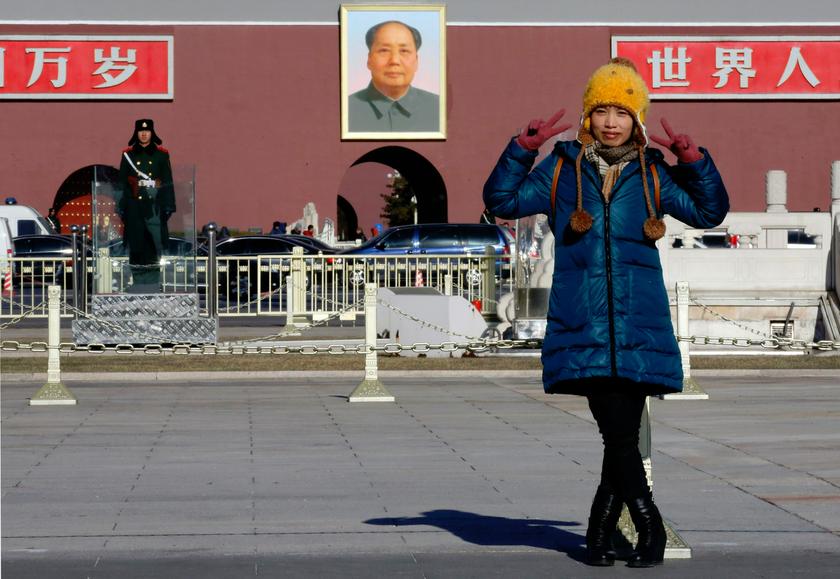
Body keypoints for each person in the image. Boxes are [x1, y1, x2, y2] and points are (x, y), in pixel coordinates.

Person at [483, 58, 729, 568]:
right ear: (587, 117)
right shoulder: (559, 170)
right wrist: (522, 150)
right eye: (602, 110)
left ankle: (598, 538)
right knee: (617, 431)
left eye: (622, 110)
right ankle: (648, 527)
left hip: (639, 321)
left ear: (637, 119)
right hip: (584, 320)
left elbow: (709, 212)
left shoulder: (653, 173)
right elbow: (501, 200)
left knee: (616, 433)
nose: (611, 121)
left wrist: (692, 159)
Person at [348, 20, 439, 133]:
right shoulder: (345, 109)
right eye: (384, 50)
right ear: (369, 60)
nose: (394, 61)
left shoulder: (438, 108)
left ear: (416, 61)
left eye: (404, 51)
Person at [117, 118, 175, 292]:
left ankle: (152, 283)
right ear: (136, 133)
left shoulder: (161, 154)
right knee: (136, 246)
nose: (143, 134)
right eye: (141, 131)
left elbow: (167, 182)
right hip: (134, 208)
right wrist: (122, 206)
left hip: (153, 208)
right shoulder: (128, 154)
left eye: (147, 131)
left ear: (152, 133)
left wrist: (168, 206)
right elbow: (121, 184)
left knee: (153, 245)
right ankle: (138, 282)